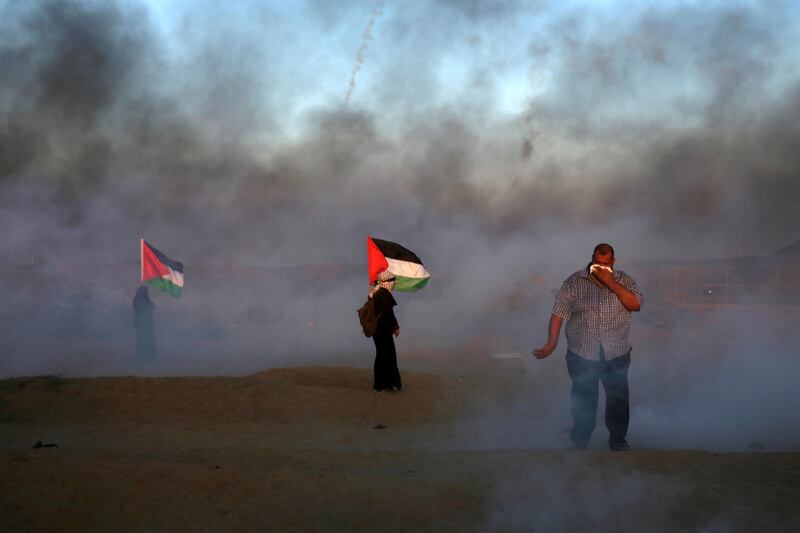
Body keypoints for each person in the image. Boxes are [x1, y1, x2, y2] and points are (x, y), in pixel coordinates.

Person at [533, 243, 643, 451]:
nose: (601, 268)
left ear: (613, 261)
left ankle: (618, 439)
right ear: (592, 258)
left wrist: (611, 282)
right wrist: (551, 343)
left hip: (616, 351)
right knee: (583, 396)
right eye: (597, 263)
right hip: (582, 352)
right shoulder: (574, 282)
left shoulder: (624, 280)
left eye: (606, 263)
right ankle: (580, 439)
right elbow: (558, 314)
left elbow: (635, 304)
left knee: (618, 397)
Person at [369, 270, 402, 392]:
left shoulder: (375, 292)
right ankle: (386, 384)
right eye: (392, 281)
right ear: (387, 282)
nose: (393, 283)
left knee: (382, 355)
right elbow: (389, 313)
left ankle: (384, 384)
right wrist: (395, 327)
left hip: (377, 330)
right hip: (383, 329)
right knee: (388, 356)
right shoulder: (384, 294)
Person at [133, 286, 157, 362]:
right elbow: (151, 307)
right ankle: (145, 357)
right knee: (144, 340)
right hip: (144, 324)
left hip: (143, 323)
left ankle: (144, 357)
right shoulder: (140, 301)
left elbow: (152, 307)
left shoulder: (137, 300)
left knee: (144, 340)